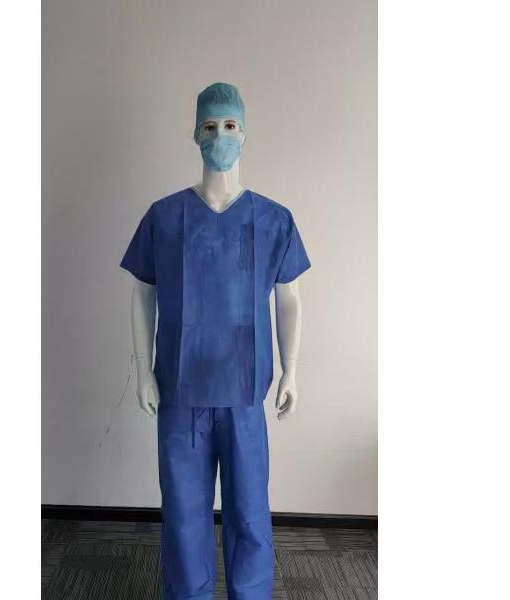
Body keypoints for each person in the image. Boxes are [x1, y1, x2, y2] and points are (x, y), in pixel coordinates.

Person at [119, 82, 311, 599]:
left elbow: (289, 298)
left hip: (243, 393)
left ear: (244, 133)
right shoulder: (165, 218)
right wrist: (142, 369)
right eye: (210, 125)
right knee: (184, 514)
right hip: (181, 392)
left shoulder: (273, 220)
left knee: (249, 512)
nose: (220, 135)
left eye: (229, 125)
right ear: (195, 133)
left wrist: (290, 368)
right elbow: (142, 291)